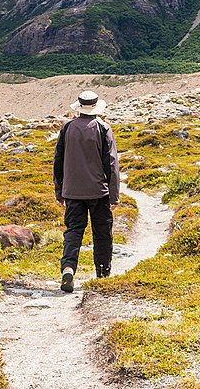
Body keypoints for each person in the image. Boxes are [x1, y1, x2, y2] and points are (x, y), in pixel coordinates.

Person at [53, 89, 120, 293]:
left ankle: (68, 269)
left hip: (72, 192)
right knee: (102, 234)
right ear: (96, 108)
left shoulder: (67, 128)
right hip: (99, 192)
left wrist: (60, 191)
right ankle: (102, 273)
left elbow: (58, 161)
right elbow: (111, 164)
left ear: (79, 108)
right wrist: (114, 195)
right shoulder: (103, 128)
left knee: (73, 232)